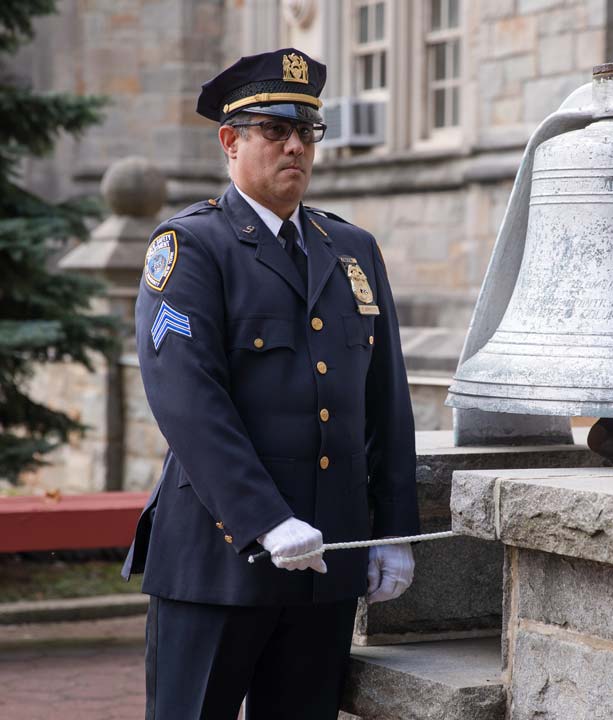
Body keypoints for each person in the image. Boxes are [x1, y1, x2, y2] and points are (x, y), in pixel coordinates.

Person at [121, 48, 420, 720]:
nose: (295, 147)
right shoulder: (191, 247)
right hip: (219, 560)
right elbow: (188, 400)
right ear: (230, 141)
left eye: (307, 132)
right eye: (274, 130)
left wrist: (394, 527)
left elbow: (385, 401)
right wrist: (264, 519)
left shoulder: (352, 250)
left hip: (326, 563)